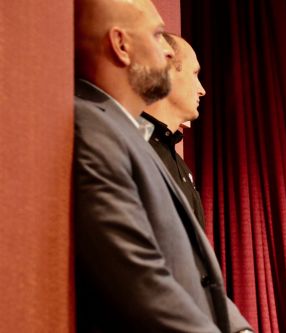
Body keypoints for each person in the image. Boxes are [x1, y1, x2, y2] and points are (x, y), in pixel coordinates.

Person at [73, 0, 252, 332]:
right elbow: (134, 274)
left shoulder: (125, 131)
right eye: (157, 35)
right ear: (120, 45)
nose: (170, 53)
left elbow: (196, 272)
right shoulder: (91, 126)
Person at [141, 33, 206, 229]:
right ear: (167, 71)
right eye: (195, 74)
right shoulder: (134, 148)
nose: (202, 90)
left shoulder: (181, 166)